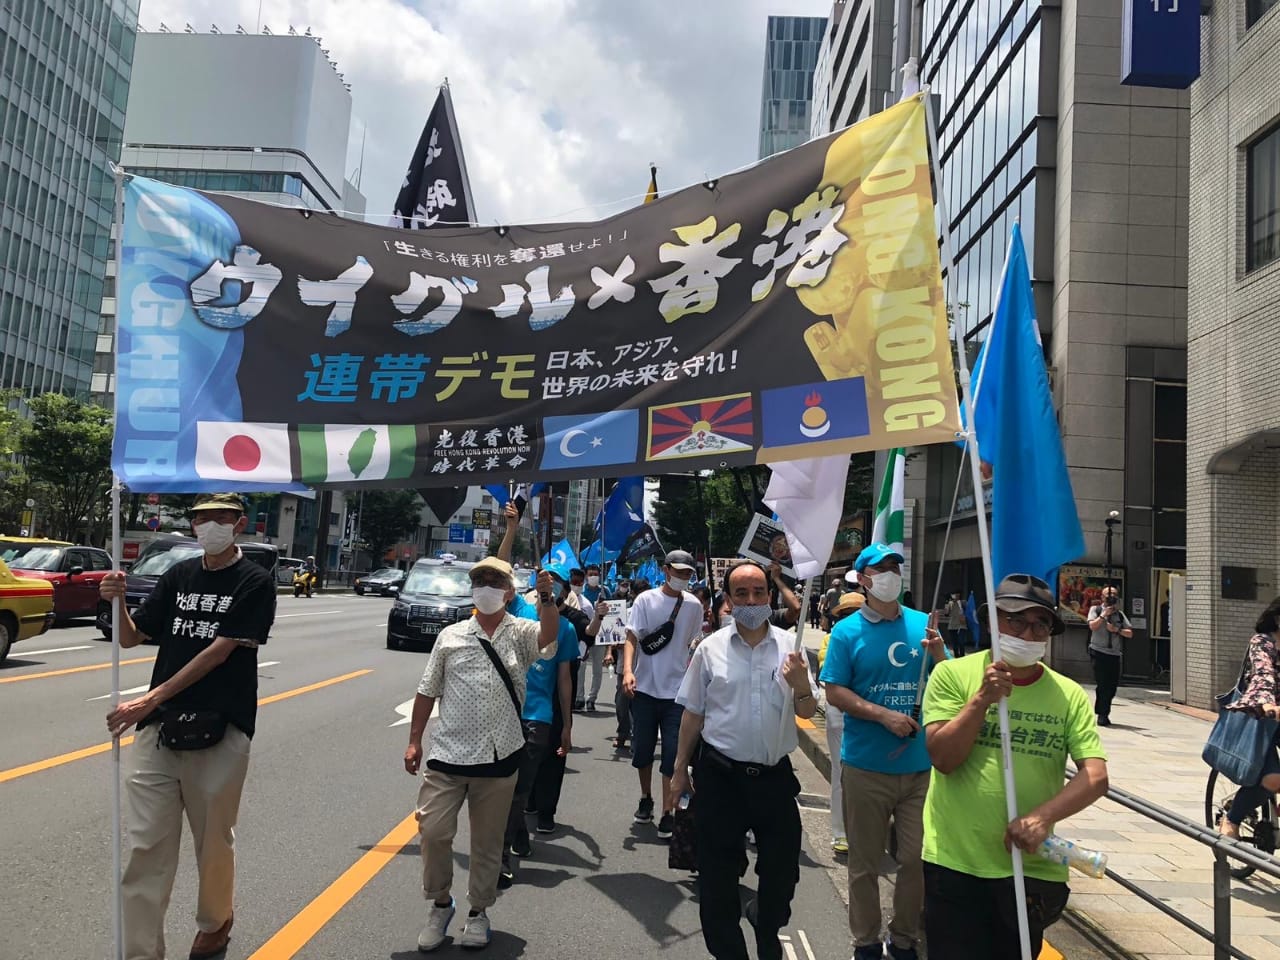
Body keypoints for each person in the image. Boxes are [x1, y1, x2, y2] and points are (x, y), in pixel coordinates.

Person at [102, 493, 276, 960]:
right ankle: (139, 952)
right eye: (200, 519)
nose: (208, 527)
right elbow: (133, 636)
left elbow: (219, 651)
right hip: (159, 731)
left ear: (239, 524)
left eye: (219, 519)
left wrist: (149, 699)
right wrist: (117, 603)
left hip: (220, 729)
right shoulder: (180, 575)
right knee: (144, 849)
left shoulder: (255, 582)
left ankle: (215, 922)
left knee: (213, 841)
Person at [922, 574, 1110, 959]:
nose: (1028, 632)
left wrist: (1042, 818)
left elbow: (1095, 776)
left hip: (1030, 871)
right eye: (1015, 620)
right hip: (956, 862)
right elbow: (942, 759)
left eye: (1040, 624)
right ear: (992, 621)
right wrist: (982, 700)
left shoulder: (1068, 694)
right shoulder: (952, 675)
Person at [404, 559, 560, 952]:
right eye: (479, 581)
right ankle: (441, 903)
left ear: (509, 591)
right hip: (448, 755)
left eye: (495, 582)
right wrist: (414, 740)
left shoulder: (521, 631)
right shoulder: (451, 635)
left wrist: (545, 595)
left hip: (500, 756)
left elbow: (548, 637)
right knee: (434, 832)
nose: (486, 588)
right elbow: (427, 690)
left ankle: (478, 912)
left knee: (488, 844)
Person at [671, 560, 816, 960]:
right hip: (721, 778)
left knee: (781, 879)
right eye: (742, 594)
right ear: (729, 601)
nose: (751, 600)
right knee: (716, 884)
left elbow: (806, 711)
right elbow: (693, 713)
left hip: (774, 780)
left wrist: (801, 684)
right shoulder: (710, 649)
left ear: (769, 596)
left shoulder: (792, 646)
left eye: (758, 592)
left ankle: (766, 923)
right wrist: (680, 769)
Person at [819, 543, 948, 960]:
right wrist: (882, 716)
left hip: (918, 767)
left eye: (896, 566)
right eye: (882, 568)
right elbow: (834, 690)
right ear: (864, 578)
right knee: (865, 864)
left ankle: (906, 937)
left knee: (914, 859)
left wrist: (941, 655)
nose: (891, 574)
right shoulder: (846, 632)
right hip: (866, 766)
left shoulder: (922, 626)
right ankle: (867, 940)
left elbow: (946, 680)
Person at [622, 552, 704, 839]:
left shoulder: (694, 606)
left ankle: (668, 811)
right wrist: (628, 671)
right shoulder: (645, 600)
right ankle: (646, 797)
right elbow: (631, 636)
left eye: (688, 574)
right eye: (678, 572)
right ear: (665, 569)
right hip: (644, 689)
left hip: (677, 694)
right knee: (643, 750)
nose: (683, 578)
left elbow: (695, 644)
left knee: (673, 753)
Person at [528, 566, 591, 833]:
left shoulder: (568, 625)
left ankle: (546, 810)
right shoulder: (521, 615)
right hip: (518, 702)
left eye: (556, 584)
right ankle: (526, 805)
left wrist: (567, 723)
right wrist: (509, 530)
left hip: (551, 701)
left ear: (564, 590)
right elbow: (502, 571)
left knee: (553, 756)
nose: (550, 588)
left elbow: (565, 677)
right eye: (545, 582)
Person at [1217, 596, 1280, 839]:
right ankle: (1231, 818)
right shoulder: (1262, 643)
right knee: (1272, 779)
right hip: (1259, 717)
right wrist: (1266, 704)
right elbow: (1263, 676)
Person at [818, 590, 866, 855]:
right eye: (847, 614)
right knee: (841, 773)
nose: (852, 618)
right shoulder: (832, 639)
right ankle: (840, 833)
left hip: (869, 714)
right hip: (840, 713)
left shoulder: (876, 639)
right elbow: (830, 671)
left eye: (857, 613)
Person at [1086, 585, 1132, 726]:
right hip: (1098, 651)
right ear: (1102, 597)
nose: (1111, 598)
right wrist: (1104, 615)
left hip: (1114, 654)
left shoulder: (1119, 614)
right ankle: (1102, 714)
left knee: (1111, 686)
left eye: (1114, 596)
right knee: (1102, 683)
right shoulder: (1096, 610)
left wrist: (1116, 629)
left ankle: (1104, 710)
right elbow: (1092, 626)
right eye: (1108, 595)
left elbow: (1129, 633)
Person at [579, 563, 611, 710]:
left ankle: (592, 698)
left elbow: (613, 613)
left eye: (595, 574)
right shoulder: (581, 592)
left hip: (601, 635)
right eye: (590, 574)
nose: (593, 577)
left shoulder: (605, 591)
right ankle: (579, 697)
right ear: (586, 576)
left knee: (597, 669)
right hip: (585, 635)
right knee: (581, 667)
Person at [944, 592, 968, 657]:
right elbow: (946, 613)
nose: (954, 596)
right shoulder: (950, 603)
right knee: (954, 644)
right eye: (953, 595)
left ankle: (962, 656)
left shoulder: (963, 602)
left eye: (956, 595)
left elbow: (968, 611)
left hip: (961, 626)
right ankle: (956, 656)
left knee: (961, 642)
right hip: (952, 626)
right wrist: (946, 602)